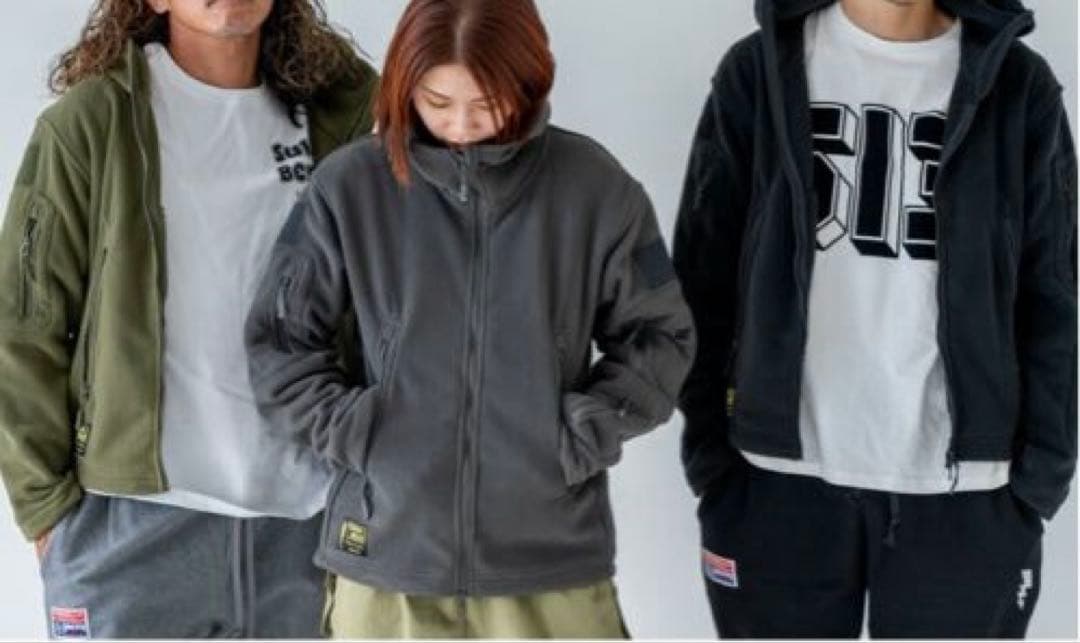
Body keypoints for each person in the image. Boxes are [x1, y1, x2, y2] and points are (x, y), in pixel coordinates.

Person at [244, 0, 695, 637]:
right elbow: (279, 341)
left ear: (529, 80)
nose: (461, 125)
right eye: (438, 101)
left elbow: (661, 335)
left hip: (550, 564)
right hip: (387, 558)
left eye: (487, 103)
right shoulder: (349, 188)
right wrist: (358, 431)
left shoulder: (594, 188)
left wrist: (582, 432)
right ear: (405, 85)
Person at [675, 0, 1076, 638]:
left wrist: (1040, 480)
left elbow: (1054, 290)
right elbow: (703, 272)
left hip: (969, 495)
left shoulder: (1018, 84)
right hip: (773, 479)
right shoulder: (760, 70)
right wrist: (710, 453)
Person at [0, 0, 377, 637]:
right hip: (129, 531)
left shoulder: (342, 121)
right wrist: (48, 512)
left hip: (304, 528)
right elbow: (23, 326)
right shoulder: (93, 124)